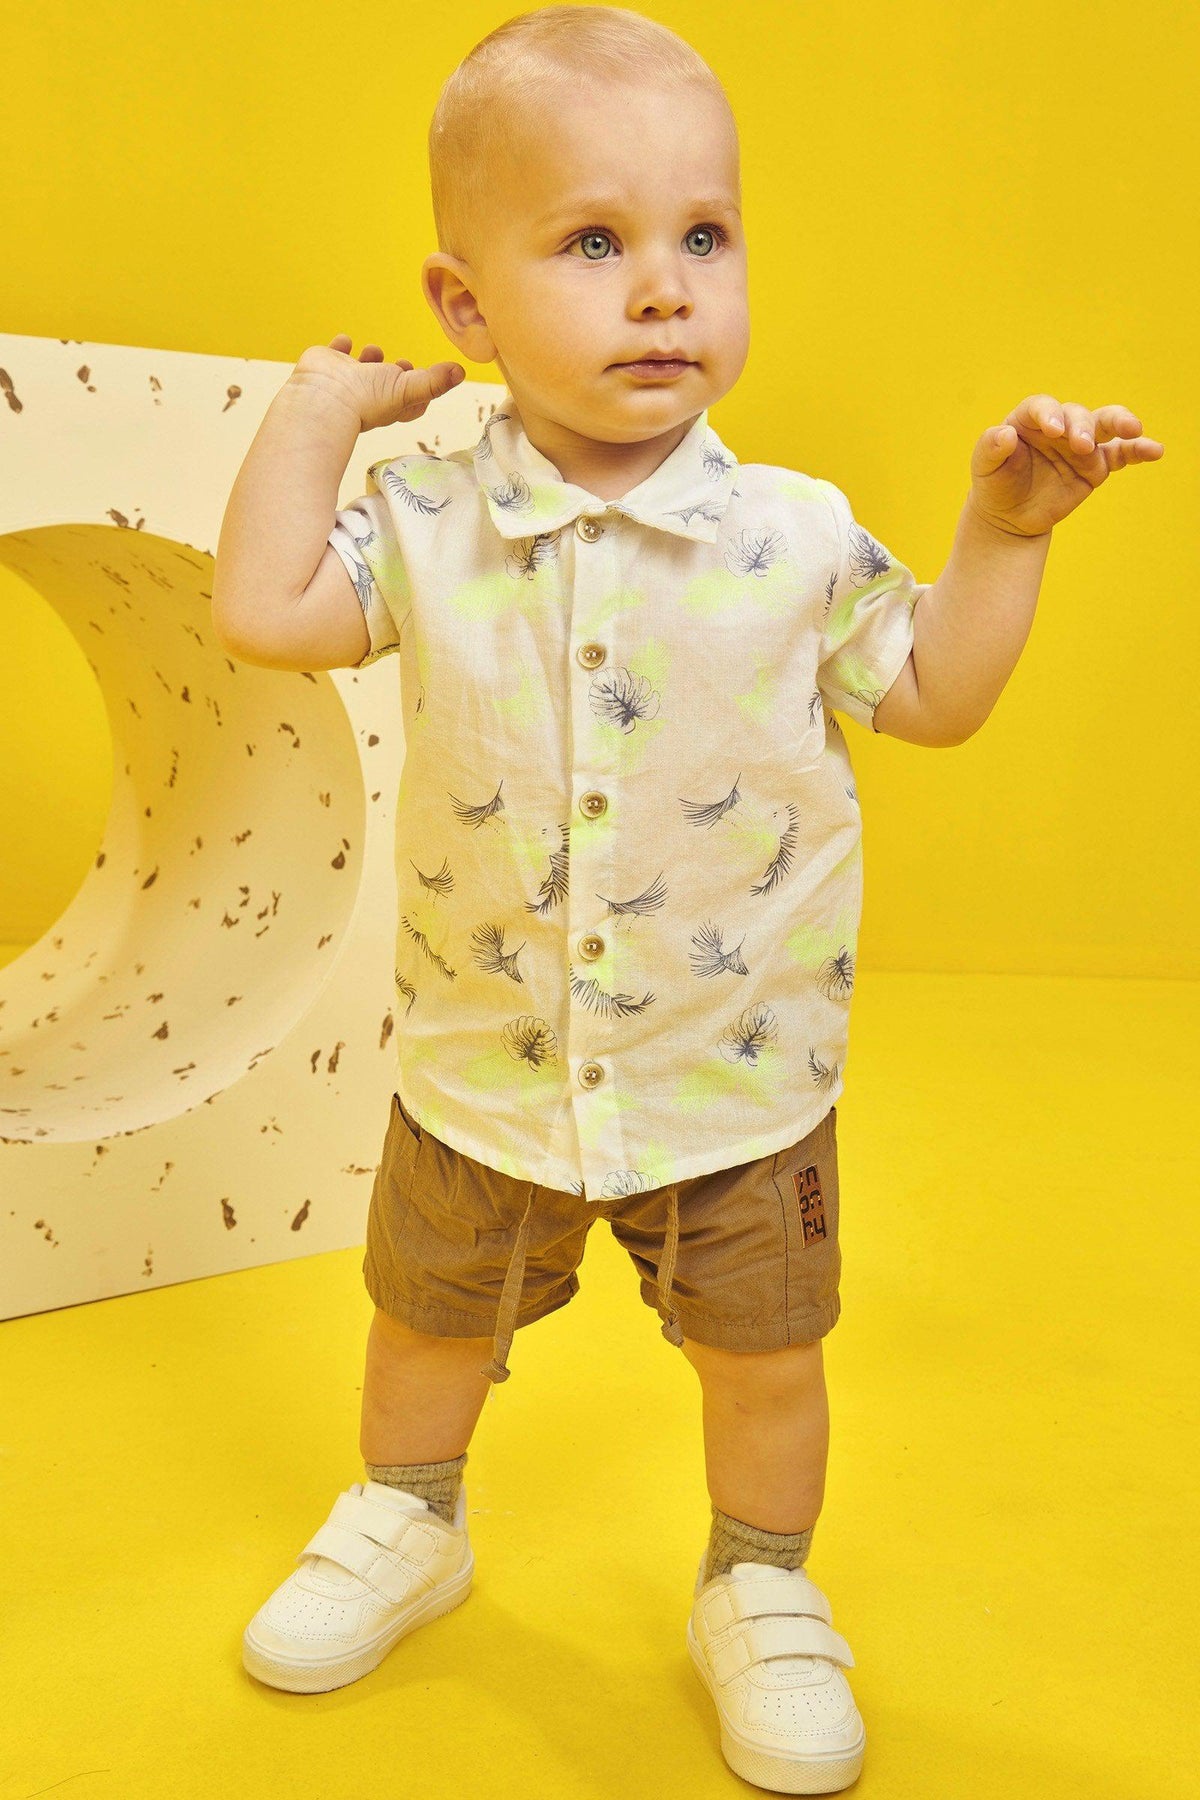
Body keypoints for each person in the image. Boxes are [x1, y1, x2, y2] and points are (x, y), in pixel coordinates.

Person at [211, 6, 1162, 1790]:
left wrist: (1006, 535)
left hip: (737, 1076)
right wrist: (316, 414)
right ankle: (410, 1513)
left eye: (703, 237)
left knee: (767, 1361)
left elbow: (934, 695)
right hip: (485, 1067)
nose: (664, 289)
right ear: (467, 308)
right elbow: (265, 613)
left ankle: (761, 1581)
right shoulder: (424, 521)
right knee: (424, 1319)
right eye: (594, 243)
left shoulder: (792, 535)